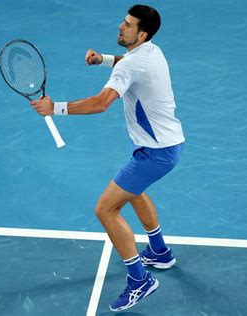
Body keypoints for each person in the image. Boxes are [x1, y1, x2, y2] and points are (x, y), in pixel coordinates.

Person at [30, 4, 185, 312]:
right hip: (166, 146)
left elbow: (102, 103)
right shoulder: (151, 51)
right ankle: (160, 252)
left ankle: (140, 280)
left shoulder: (132, 64)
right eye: (123, 22)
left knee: (105, 209)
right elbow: (127, 63)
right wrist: (102, 60)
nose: (120, 26)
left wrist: (55, 108)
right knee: (135, 193)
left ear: (141, 33)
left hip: (155, 154)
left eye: (127, 25)